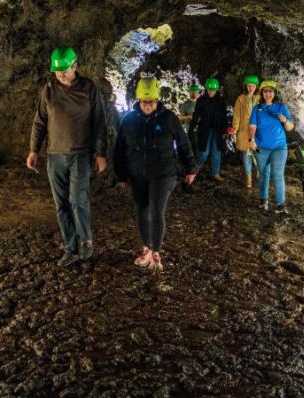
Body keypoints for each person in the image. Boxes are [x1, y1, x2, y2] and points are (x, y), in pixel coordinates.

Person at [27, 47, 108, 266]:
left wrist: (100, 153)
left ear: (75, 66)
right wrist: (34, 149)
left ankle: (86, 241)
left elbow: (99, 123)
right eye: (57, 71)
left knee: (77, 200)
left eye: (65, 70)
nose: (61, 74)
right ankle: (70, 248)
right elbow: (41, 121)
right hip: (55, 156)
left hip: (80, 154)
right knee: (61, 204)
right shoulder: (49, 90)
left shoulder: (88, 88)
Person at [113, 77, 197, 272]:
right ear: (138, 100)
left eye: (151, 102)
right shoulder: (129, 120)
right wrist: (121, 175)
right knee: (141, 209)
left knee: (156, 210)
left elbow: (183, 143)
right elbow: (119, 149)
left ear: (157, 100)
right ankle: (147, 248)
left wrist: (191, 168)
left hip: (164, 173)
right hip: (138, 174)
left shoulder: (168, 118)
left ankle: (156, 252)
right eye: (144, 102)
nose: (148, 106)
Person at [248, 80, 295, 214]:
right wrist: (251, 140)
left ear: (274, 93)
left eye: (270, 91)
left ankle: (280, 205)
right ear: (262, 94)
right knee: (263, 174)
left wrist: (284, 120)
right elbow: (252, 126)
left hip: (279, 146)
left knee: (277, 174)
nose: (268, 94)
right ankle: (263, 200)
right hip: (261, 147)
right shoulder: (257, 109)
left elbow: (290, 127)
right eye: (265, 91)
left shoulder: (281, 107)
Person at [190, 77, 227, 182]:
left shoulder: (221, 101)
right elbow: (196, 115)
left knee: (216, 151)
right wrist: (191, 128)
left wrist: (225, 130)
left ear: (217, 90)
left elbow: (224, 117)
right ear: (206, 89)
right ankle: (194, 171)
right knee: (204, 152)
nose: (211, 92)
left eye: (213, 90)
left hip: (217, 130)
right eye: (209, 89)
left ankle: (215, 173)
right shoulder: (201, 100)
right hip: (205, 129)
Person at [232, 75, 260, 189]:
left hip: (258, 130)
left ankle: (260, 176)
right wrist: (234, 129)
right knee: (245, 155)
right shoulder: (241, 98)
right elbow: (237, 116)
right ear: (246, 86)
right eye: (249, 86)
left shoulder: (260, 99)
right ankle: (248, 179)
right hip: (244, 130)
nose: (250, 88)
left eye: (253, 86)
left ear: (256, 86)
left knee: (259, 154)